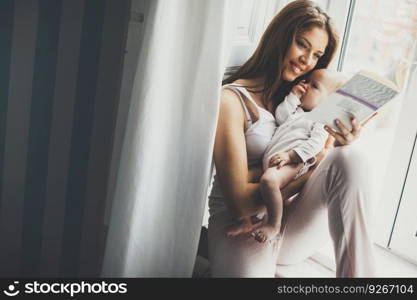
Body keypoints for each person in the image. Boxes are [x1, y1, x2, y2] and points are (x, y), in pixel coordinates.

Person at [208, 0, 377, 277]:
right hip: (241, 222)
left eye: (316, 55)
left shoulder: (307, 104)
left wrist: (338, 143)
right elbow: (239, 202)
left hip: (292, 221)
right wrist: (311, 165)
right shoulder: (231, 100)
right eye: (302, 44)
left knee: (350, 158)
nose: (306, 61)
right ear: (279, 38)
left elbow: (331, 158)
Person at [226, 69, 346, 243]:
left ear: (327, 103)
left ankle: (273, 224)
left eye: (314, 86)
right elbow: (281, 117)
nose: (305, 87)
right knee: (248, 181)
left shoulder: (320, 121)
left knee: (269, 181)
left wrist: (291, 156)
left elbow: (315, 145)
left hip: (293, 163)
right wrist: (293, 96)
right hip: (276, 160)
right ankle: (248, 222)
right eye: (306, 81)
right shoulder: (297, 112)